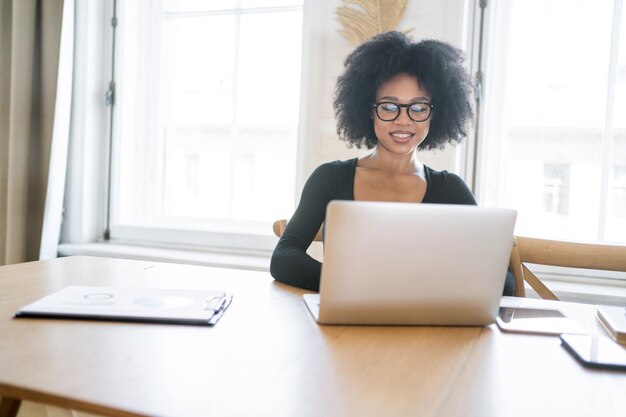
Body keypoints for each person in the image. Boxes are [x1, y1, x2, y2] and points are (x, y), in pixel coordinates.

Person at [270, 31, 515, 296]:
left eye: (418, 107)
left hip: (423, 329)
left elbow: (504, 282)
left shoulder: (450, 189)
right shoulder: (330, 178)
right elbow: (284, 257)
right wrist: (350, 286)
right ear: (369, 110)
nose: (403, 120)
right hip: (343, 326)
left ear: (436, 113)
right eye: (389, 106)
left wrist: (423, 287)